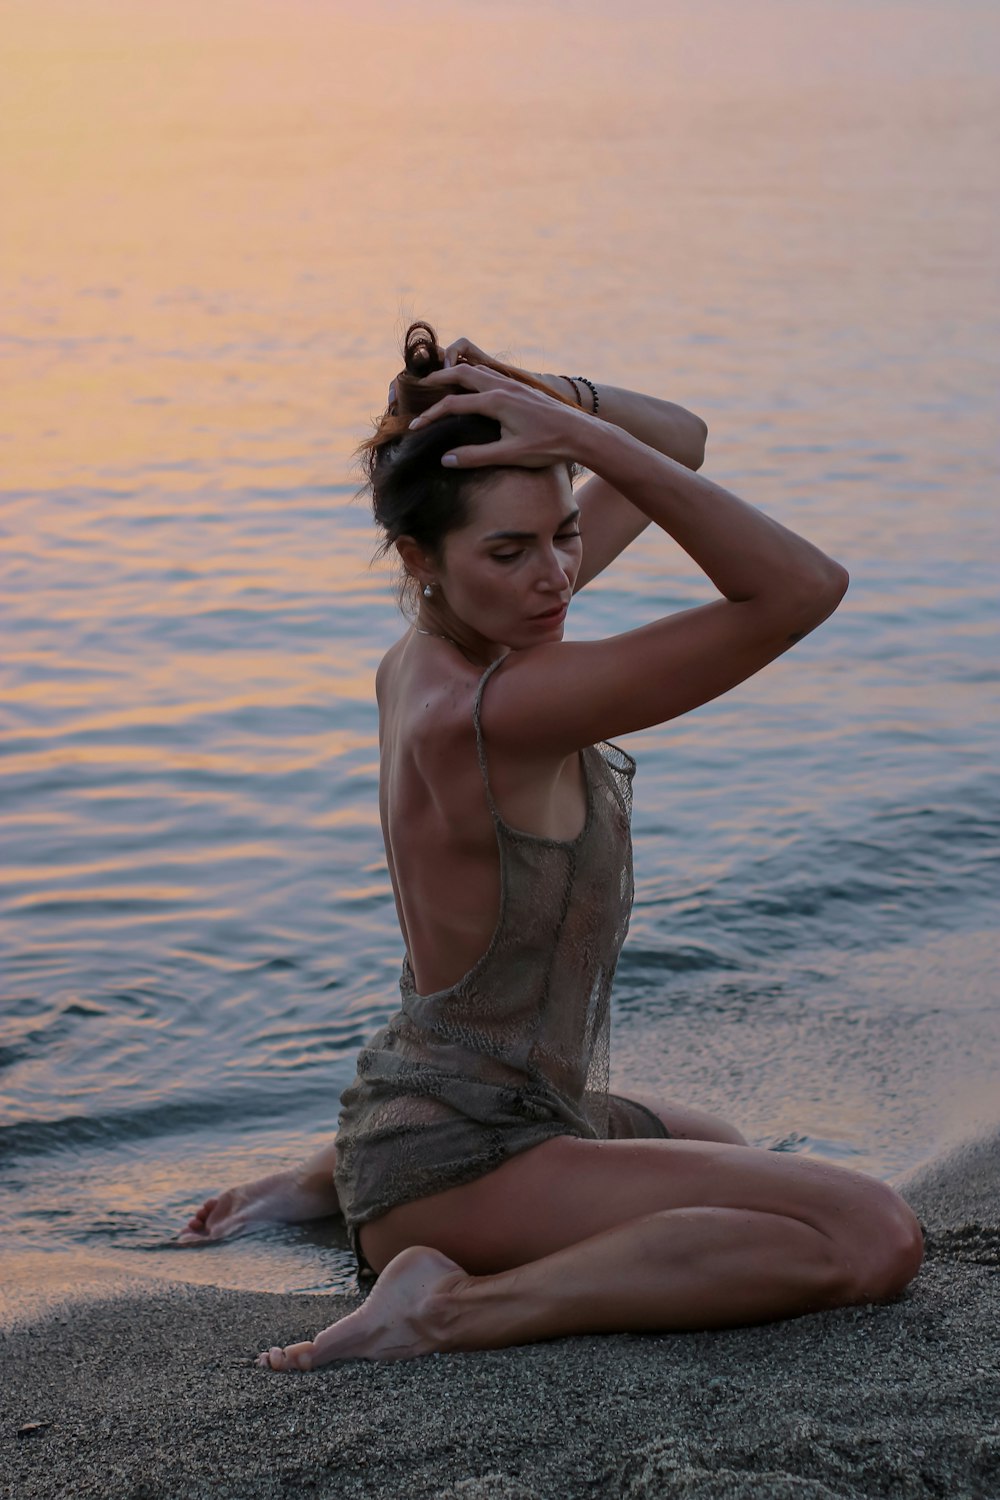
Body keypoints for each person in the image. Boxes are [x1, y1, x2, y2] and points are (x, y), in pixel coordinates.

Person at [181, 324, 923, 1371]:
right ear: (417, 558)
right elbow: (800, 588)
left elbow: (687, 439)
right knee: (868, 1232)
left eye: (564, 534)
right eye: (511, 551)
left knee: (721, 1152)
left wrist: (543, 396)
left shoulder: (440, 644)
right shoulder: (493, 709)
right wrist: (582, 434)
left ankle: (337, 1178)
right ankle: (440, 1307)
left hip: (472, 1100)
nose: (555, 578)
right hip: (466, 1154)